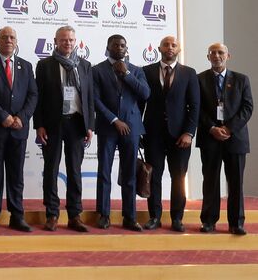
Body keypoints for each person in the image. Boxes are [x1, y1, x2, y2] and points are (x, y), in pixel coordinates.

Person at [0, 26, 37, 232]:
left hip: (18, 129)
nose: (8, 40)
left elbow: (32, 95)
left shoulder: (26, 66)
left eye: (12, 37)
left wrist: (22, 116)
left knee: (16, 175)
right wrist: (3, 116)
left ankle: (17, 216)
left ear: (16, 41)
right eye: (4, 37)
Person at [34, 26, 94, 232]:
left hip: (77, 123)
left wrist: (90, 126)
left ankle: (75, 215)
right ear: (55, 41)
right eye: (63, 40)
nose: (67, 43)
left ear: (75, 42)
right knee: (51, 169)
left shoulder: (85, 66)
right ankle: (52, 214)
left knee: (74, 170)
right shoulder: (44, 65)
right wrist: (39, 125)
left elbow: (89, 98)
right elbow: (38, 98)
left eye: (70, 40)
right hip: (52, 123)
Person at [142, 35, 199, 232]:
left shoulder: (189, 73)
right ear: (159, 48)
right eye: (166, 44)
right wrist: (140, 131)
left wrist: (189, 133)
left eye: (173, 45)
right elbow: (140, 104)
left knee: (179, 177)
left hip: (180, 137)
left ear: (179, 50)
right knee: (153, 176)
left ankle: (177, 218)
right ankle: (154, 217)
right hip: (153, 135)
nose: (170, 47)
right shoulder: (146, 71)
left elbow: (195, 106)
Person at [92, 34, 150, 231]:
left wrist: (126, 74)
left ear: (127, 48)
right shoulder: (97, 70)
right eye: (115, 44)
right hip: (108, 127)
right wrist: (114, 120)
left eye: (123, 45)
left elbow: (145, 94)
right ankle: (104, 214)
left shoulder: (136, 70)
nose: (119, 47)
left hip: (132, 128)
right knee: (104, 172)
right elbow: (95, 100)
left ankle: (130, 217)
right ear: (108, 47)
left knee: (130, 174)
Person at [197, 43, 252, 235]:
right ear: (208, 56)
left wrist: (228, 128)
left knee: (236, 182)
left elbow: (247, 108)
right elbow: (197, 109)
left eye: (221, 52)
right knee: (210, 180)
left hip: (235, 138)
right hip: (210, 137)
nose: (216, 56)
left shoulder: (241, 79)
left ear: (228, 56)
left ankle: (236, 223)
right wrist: (212, 128)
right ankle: (209, 221)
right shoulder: (199, 79)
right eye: (213, 53)